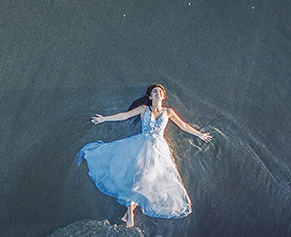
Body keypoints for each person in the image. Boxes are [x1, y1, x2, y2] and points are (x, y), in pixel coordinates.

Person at [78, 84, 212, 227]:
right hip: (141, 145)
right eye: (155, 91)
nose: (157, 93)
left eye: (160, 92)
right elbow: (125, 115)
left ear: (163, 96)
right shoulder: (144, 109)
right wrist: (105, 119)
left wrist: (200, 134)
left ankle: (128, 213)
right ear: (150, 96)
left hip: (158, 149)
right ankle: (130, 214)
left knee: (147, 179)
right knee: (137, 177)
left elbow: (183, 126)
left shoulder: (169, 112)